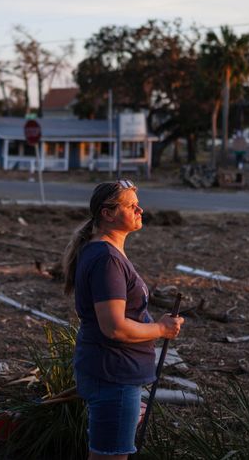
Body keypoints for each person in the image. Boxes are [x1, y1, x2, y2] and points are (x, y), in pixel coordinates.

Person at [62, 180, 184, 460]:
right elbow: (114, 327)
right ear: (108, 213)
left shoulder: (104, 252)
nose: (140, 209)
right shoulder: (107, 259)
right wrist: (162, 329)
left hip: (112, 372)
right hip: (113, 375)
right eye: (131, 206)